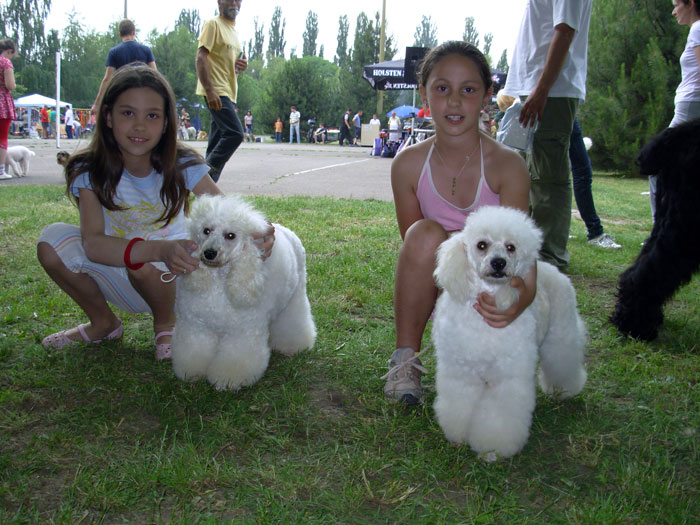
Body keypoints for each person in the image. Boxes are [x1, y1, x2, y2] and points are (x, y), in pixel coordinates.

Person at [36, 64, 274, 360]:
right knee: (51, 242)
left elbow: (227, 211)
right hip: (121, 270)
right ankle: (103, 323)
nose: (139, 126)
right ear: (108, 117)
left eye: (152, 115)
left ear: (165, 123)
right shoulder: (89, 170)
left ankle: (166, 323)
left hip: (179, 277)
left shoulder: (182, 162)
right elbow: (94, 244)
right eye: (128, 113)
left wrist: (262, 229)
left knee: (140, 260)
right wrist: (157, 250)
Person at [384, 41, 534, 405]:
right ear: (424, 94)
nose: (454, 102)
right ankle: (406, 358)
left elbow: (523, 252)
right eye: (442, 88)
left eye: (467, 90)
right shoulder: (406, 165)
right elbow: (418, 251)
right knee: (424, 234)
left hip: (496, 281)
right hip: (444, 280)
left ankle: (490, 355)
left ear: (486, 96)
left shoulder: (508, 165)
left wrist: (521, 297)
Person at [503, 0, 592, 270]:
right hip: (539, 87)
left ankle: (549, 258)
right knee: (531, 174)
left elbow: (565, 30)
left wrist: (542, 89)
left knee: (548, 177)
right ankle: (533, 253)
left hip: (551, 90)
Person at [649, 0, 700, 221]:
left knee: (656, 164)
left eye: (676, 4)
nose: (673, 11)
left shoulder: (697, 29)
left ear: (691, 4)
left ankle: (661, 228)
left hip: (690, 109)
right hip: (690, 107)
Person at [195, 0, 247, 182]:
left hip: (229, 91)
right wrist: (209, 90)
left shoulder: (233, 31)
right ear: (219, 2)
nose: (234, 3)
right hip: (216, 90)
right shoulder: (213, 24)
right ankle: (201, 181)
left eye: (237, 0)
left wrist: (241, 66)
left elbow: (229, 64)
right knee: (235, 134)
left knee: (216, 143)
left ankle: (207, 192)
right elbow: (200, 57)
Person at [569, 117, 621, 248]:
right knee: (580, 172)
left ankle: (557, 229)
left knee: (578, 172)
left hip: (568, 113)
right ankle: (595, 232)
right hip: (559, 113)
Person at [91, 19, 157, 115]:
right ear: (133, 32)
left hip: (122, 96)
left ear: (120, 34)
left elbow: (107, 79)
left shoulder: (114, 52)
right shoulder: (146, 50)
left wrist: (97, 104)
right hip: (142, 96)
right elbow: (155, 75)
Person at [0, 39, 16, 181]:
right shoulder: (5, 63)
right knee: (2, 137)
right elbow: (10, 85)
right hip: (2, 104)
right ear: (9, 51)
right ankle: (0, 171)